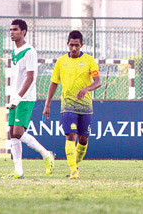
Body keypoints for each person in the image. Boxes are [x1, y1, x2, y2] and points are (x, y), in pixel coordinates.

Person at [43, 30, 102, 179]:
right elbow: (54, 83)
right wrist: (47, 104)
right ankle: (73, 171)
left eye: (77, 45)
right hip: (67, 104)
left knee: (83, 139)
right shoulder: (61, 61)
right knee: (71, 135)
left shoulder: (89, 61)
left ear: (82, 45)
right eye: (71, 45)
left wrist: (86, 88)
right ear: (67, 44)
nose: (74, 48)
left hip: (85, 106)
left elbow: (98, 82)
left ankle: (75, 165)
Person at [5, 19, 55, 179]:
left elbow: (30, 77)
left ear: (24, 32)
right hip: (15, 97)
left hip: (25, 98)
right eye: (11, 29)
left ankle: (46, 154)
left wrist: (18, 98)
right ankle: (18, 171)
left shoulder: (29, 51)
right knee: (12, 134)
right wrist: (13, 97)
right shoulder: (14, 51)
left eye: (15, 30)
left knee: (18, 132)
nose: (12, 32)